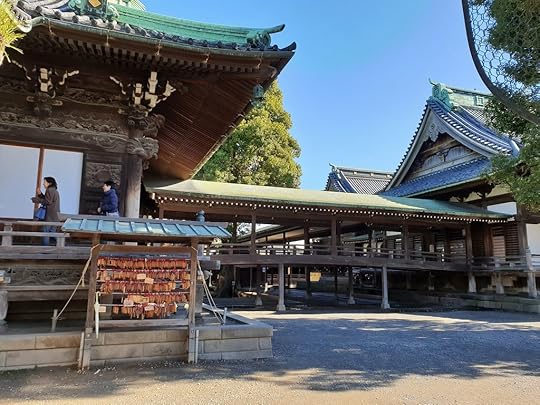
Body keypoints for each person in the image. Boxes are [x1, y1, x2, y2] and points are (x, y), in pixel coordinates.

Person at [31, 176, 60, 246]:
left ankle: (45, 249)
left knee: (45, 232)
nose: (43, 184)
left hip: (50, 215)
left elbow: (48, 201)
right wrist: (40, 194)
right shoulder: (54, 190)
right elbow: (48, 199)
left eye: (44, 182)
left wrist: (36, 200)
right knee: (51, 232)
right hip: (55, 215)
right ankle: (61, 244)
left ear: (49, 183)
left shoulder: (49, 190)